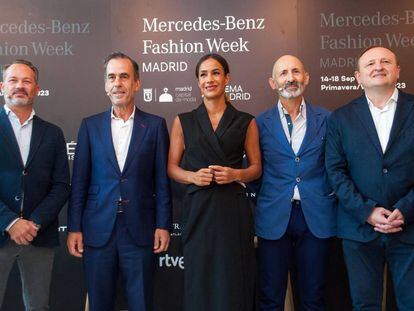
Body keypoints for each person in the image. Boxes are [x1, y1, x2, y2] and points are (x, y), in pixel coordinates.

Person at [67, 52, 172, 311]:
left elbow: (162, 182)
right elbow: (79, 182)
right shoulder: (90, 126)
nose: (118, 83)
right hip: (97, 229)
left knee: (141, 302)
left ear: (136, 83)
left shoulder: (156, 126)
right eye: (111, 77)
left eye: (124, 76)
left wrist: (163, 225)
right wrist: (74, 227)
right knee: (100, 302)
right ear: (105, 85)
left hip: (140, 228)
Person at [168, 53, 261, 311]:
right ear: (198, 82)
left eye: (216, 73)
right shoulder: (183, 120)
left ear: (227, 78)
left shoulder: (246, 121)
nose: (210, 79)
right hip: (198, 210)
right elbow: (172, 168)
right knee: (200, 278)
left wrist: (236, 175)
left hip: (233, 211)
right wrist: (193, 177)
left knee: (232, 279)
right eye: (204, 74)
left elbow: (255, 168)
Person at [325, 46, 414, 310]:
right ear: (358, 77)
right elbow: (335, 171)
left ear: (397, 70)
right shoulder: (340, 118)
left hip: (409, 227)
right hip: (359, 230)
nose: (378, 67)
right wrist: (367, 211)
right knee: (365, 305)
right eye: (370, 64)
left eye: (386, 61)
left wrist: (406, 209)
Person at [254, 55, 336, 310]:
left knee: (313, 297)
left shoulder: (328, 119)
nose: (291, 78)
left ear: (306, 78)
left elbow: (337, 167)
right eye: (283, 73)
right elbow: (255, 172)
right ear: (272, 82)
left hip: (316, 219)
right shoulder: (258, 124)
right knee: (270, 297)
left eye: (296, 72)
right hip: (273, 218)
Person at [0, 59, 70, 310]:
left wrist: (34, 222)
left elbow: (62, 185)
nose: (20, 86)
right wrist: (10, 222)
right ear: (2, 87)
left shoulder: (52, 133)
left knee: (38, 306)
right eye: (13, 80)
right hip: (0, 231)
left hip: (38, 236)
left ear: (37, 89)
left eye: (27, 81)